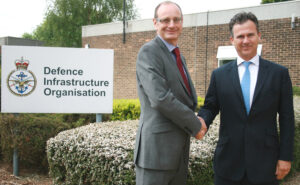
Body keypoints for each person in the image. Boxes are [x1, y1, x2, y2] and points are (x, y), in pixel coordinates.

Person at [197, 12, 295, 185]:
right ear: (232, 40)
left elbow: (287, 118)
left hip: (266, 165)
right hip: (227, 164)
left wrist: (286, 157)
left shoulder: (279, 74)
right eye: (240, 36)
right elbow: (210, 107)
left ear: (259, 35)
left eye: (250, 35)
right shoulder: (219, 75)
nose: (246, 40)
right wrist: (201, 121)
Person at [134, 1, 207, 185]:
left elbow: (186, 99)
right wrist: (195, 125)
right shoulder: (149, 52)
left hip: (178, 154)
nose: (172, 25)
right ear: (155, 23)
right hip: (155, 157)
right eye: (166, 20)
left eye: (176, 20)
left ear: (182, 23)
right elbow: (160, 98)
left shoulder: (177, 55)